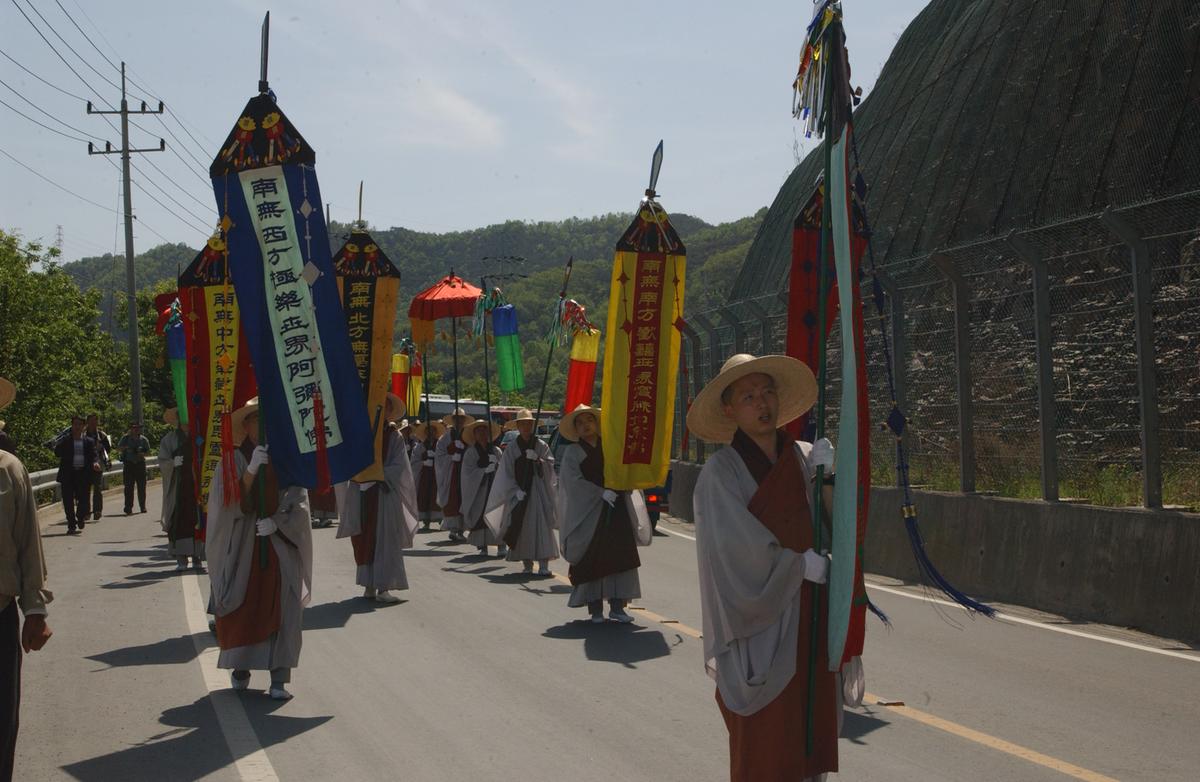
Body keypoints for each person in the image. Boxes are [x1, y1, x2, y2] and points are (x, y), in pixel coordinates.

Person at [688, 353, 863, 781]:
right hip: (762, 622)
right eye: (748, 396)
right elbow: (732, 552)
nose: (761, 402)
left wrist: (827, 479)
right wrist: (794, 566)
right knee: (768, 738)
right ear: (729, 410)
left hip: (811, 610)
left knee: (809, 725)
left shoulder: (805, 457)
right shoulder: (720, 473)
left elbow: (835, 528)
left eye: (767, 392)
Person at [206, 397, 313, 700]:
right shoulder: (233, 461)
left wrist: (279, 523)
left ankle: (279, 678)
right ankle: (241, 668)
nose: (261, 427)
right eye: (255, 421)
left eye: (265, 421)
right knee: (243, 606)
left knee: (283, 607)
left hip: (279, 547)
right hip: (243, 546)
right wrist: (250, 473)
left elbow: (300, 502)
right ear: (246, 426)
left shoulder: (288, 460)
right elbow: (224, 505)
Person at [0, 377, 53, 782]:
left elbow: (28, 544)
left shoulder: (9, 469)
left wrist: (34, 609)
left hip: (0, 610)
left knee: (2, 718)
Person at [556, 405, 652, 623]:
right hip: (589, 513)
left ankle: (618, 606)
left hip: (615, 508)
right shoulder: (573, 452)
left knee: (619, 556)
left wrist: (622, 485)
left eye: (589, 420)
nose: (585, 425)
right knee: (593, 556)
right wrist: (599, 492)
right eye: (580, 423)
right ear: (576, 429)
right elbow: (572, 483)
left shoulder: (610, 447)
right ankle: (595, 608)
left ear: (596, 423)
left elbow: (623, 470)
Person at [337, 394, 418, 603]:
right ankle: (369, 585)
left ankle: (383, 587)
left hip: (384, 494)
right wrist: (361, 477)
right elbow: (349, 460)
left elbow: (399, 466)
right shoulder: (359, 434)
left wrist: (378, 476)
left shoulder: (394, 436)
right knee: (364, 537)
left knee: (385, 539)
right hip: (362, 492)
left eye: (387, 407)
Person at [483, 408, 559, 576]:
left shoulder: (540, 445)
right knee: (521, 526)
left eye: (529, 424)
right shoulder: (512, 449)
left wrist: (538, 461)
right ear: (517, 425)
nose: (526, 427)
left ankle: (544, 563)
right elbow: (506, 473)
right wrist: (515, 490)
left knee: (541, 527)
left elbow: (550, 467)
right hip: (519, 493)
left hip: (537, 492)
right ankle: (527, 563)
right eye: (523, 424)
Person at [158, 408, 203, 571]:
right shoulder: (169, 440)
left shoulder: (199, 437)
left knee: (197, 520)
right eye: (181, 417)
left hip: (196, 486)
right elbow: (162, 462)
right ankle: (181, 558)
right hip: (178, 487)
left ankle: (198, 556)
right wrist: (172, 463)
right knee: (178, 521)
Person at [460, 419, 505, 557]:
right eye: (479, 431)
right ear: (474, 434)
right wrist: (483, 471)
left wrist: (496, 466)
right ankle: (483, 546)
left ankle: (501, 545)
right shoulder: (471, 452)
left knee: (497, 516)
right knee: (480, 517)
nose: (482, 433)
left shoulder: (496, 450)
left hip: (494, 489)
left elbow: (505, 470)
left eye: (485, 431)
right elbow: (467, 473)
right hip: (478, 491)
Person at [54, 415, 99, 535]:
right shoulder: (65, 440)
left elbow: (94, 454)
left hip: (83, 475)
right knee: (68, 501)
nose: (77, 427)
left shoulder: (88, 441)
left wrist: (95, 463)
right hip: (68, 475)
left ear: (84, 426)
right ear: (72, 426)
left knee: (83, 500)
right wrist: (58, 443)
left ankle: (80, 517)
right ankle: (71, 525)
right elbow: (57, 453)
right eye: (75, 424)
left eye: (80, 424)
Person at [434, 408, 473, 543]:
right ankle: (453, 529)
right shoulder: (445, 437)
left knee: (464, 497)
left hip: (465, 471)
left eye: (461, 419)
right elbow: (440, 454)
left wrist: (464, 453)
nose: (459, 421)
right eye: (456, 419)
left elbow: (473, 450)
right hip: (451, 472)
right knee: (453, 498)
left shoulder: (468, 435)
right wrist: (451, 456)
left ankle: (461, 529)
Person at [410, 420, 444, 531]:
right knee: (424, 495)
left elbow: (445, 458)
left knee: (435, 494)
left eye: (433, 431)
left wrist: (436, 457)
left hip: (436, 474)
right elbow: (414, 462)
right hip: (424, 475)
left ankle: (439, 518)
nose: (431, 433)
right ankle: (426, 521)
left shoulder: (440, 445)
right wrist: (423, 462)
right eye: (429, 431)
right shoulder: (419, 447)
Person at [116, 422, 150, 515]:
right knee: (128, 487)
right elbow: (118, 448)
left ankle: (142, 506)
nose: (136, 429)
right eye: (134, 428)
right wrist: (127, 448)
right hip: (129, 464)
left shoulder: (143, 440)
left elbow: (148, 452)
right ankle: (128, 507)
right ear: (131, 428)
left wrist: (141, 452)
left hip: (140, 464)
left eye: (138, 428)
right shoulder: (125, 438)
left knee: (142, 487)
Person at [84, 414, 111, 522]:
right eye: (91, 421)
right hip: (85, 465)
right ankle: (86, 512)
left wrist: (101, 448)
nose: (93, 423)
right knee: (85, 489)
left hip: (98, 464)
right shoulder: (83, 434)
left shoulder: (101, 435)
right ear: (87, 422)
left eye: (95, 421)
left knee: (97, 488)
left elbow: (108, 449)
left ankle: (97, 511)